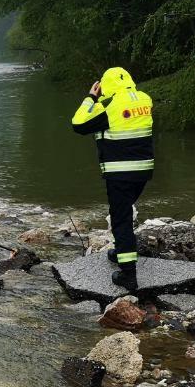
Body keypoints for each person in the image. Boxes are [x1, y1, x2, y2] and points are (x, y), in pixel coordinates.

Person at [70, 67, 154, 293]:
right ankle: (120, 251)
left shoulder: (110, 107)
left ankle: (129, 274)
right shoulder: (144, 99)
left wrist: (91, 98)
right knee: (124, 211)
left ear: (105, 86)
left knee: (121, 218)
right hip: (144, 170)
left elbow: (78, 124)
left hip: (120, 172)